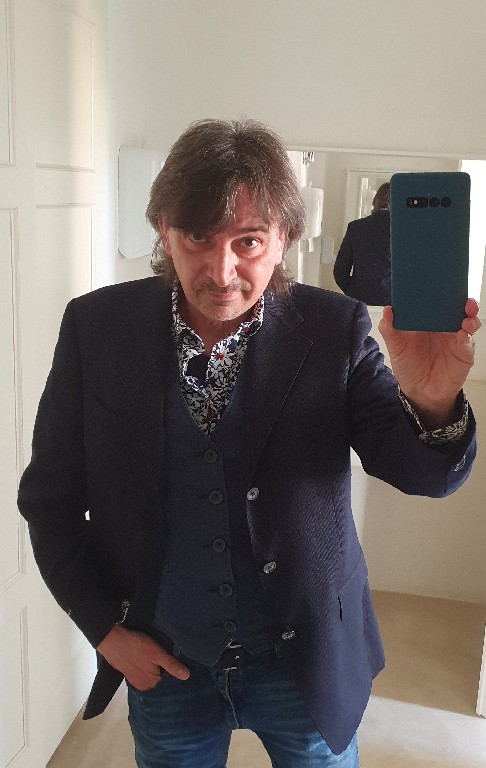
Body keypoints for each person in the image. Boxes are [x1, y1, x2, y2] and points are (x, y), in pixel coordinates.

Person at [18, 119, 480, 768]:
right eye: (197, 237)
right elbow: (50, 503)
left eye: (249, 240)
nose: (221, 269)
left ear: (284, 238)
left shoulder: (335, 328)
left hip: (305, 663)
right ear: (163, 231)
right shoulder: (97, 329)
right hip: (165, 660)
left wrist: (431, 401)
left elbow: (421, 475)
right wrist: (105, 631)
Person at [333, 182, 391, 305]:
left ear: (376, 200)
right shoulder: (406, 231)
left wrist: (352, 291)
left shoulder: (356, 227)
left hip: (360, 299)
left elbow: (340, 270)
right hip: (394, 301)